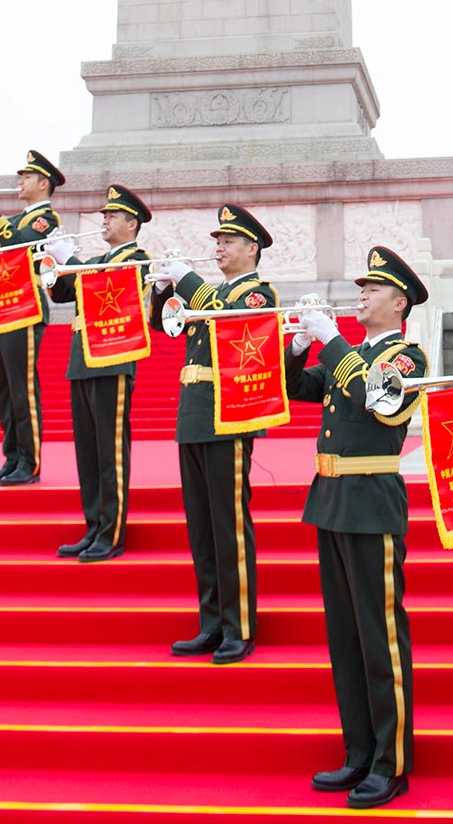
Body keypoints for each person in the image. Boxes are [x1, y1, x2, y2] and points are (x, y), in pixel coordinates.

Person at [285, 246, 429, 810]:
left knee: (380, 637)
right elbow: (300, 390)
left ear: (399, 303)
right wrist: (299, 348)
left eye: (372, 289)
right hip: (332, 499)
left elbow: (381, 402)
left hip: (372, 499)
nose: (360, 295)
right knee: (344, 637)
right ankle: (359, 749)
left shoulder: (406, 355)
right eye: (360, 287)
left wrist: (334, 342)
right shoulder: (360, 353)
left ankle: (391, 762)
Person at [153, 205, 278, 665]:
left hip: (230, 415)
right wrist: (163, 289)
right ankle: (212, 622)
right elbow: (165, 325)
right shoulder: (213, 292)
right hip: (194, 414)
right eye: (217, 241)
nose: (219, 248)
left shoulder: (257, 293)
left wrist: (186, 280)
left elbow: (229, 319)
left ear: (252, 248)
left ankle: (239, 624)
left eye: (228, 241)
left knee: (228, 526)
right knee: (202, 527)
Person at [47, 184, 152, 562]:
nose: (104, 220)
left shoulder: (138, 259)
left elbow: (108, 284)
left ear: (131, 223)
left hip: (113, 358)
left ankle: (112, 531)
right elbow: (62, 294)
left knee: (110, 450)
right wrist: (57, 265)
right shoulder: (95, 259)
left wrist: (72, 262)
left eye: (112, 215)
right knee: (88, 451)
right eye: (104, 215)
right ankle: (94, 525)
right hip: (83, 359)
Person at [0, 149, 65, 486]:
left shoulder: (45, 219)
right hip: (1, 307)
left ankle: (30, 461)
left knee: (23, 389)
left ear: (43, 183)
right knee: (3, 390)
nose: (20, 182)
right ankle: (12, 457)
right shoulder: (14, 220)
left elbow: (18, 245)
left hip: (25, 306)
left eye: (26, 176)